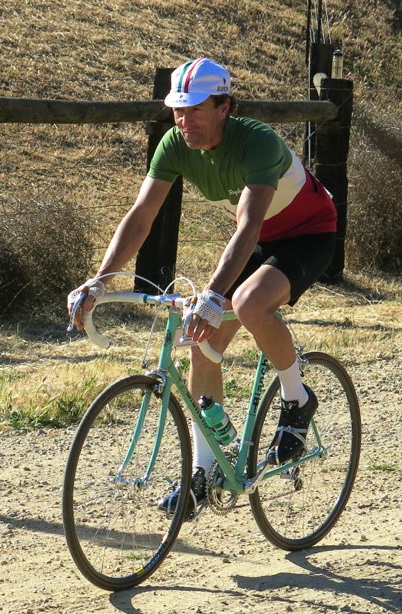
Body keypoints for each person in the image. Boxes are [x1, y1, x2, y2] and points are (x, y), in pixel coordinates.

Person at [68, 58, 337, 518]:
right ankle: (206, 471)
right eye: (177, 110)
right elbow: (141, 216)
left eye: (194, 110)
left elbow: (249, 224)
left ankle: (297, 397)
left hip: (308, 233)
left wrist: (214, 296)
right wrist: (101, 278)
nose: (183, 120)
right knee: (201, 337)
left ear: (224, 107)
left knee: (249, 304)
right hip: (259, 239)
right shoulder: (175, 144)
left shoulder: (257, 143)